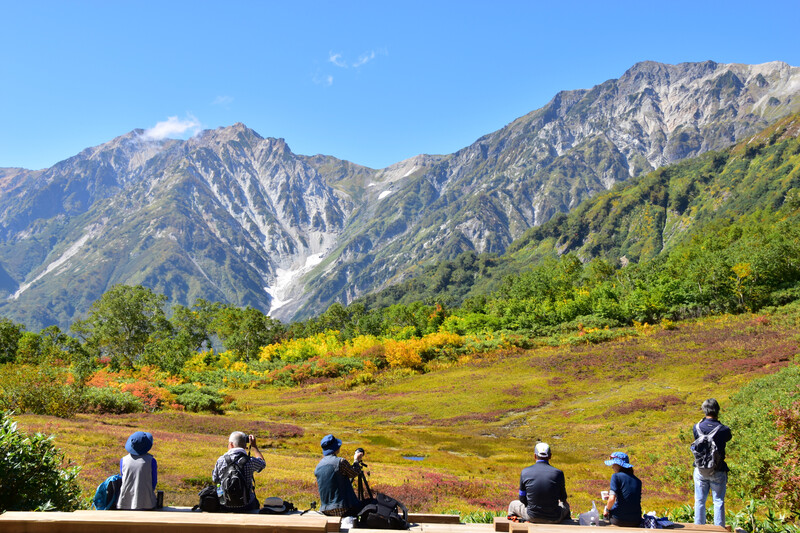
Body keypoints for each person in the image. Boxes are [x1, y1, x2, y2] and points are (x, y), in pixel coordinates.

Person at [508, 442, 571, 523]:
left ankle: (514, 520)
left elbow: (522, 498)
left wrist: (531, 506)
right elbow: (563, 498)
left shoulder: (525, 472)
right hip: (554, 518)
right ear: (550, 456)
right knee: (565, 505)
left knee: (513, 504)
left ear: (534, 456)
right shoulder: (558, 473)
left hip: (531, 516)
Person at [693, 398, 732, 527]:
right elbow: (728, 437)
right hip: (718, 469)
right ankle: (719, 528)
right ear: (718, 411)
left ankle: (699, 528)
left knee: (699, 501)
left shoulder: (697, 427)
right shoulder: (723, 429)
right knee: (718, 501)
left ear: (704, 410)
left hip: (700, 469)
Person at [212, 431, 266, 512]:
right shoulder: (250, 461)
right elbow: (262, 464)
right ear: (245, 445)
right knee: (255, 501)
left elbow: (215, 479)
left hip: (225, 505)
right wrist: (254, 446)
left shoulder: (221, 460)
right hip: (247, 505)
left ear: (231, 444)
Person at [314, 434, 364, 517]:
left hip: (325, 510)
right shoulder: (340, 462)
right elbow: (354, 473)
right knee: (369, 504)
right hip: (343, 509)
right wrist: (356, 460)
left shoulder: (318, 467)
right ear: (335, 448)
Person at [117, 431, 158, 510]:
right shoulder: (151, 461)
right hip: (147, 503)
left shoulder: (123, 460)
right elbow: (153, 482)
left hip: (124, 502)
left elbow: (123, 479)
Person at [602, 452, 642, 527]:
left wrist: (606, 510)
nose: (612, 467)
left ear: (619, 465)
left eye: (613, 464)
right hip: (636, 520)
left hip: (619, 519)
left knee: (607, 515)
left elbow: (611, 499)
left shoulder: (616, 476)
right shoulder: (638, 481)